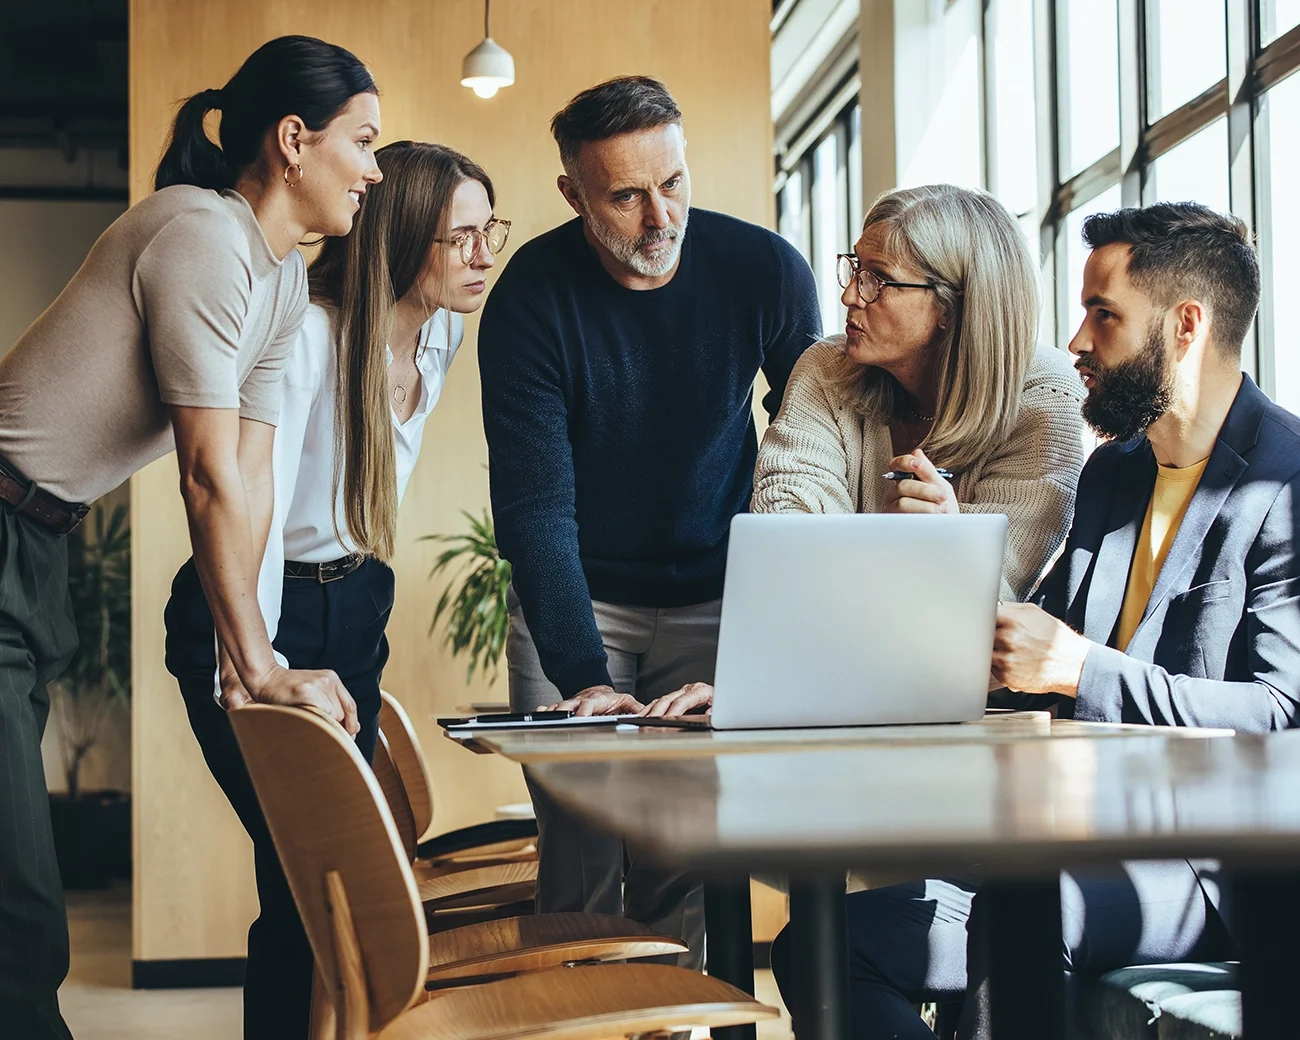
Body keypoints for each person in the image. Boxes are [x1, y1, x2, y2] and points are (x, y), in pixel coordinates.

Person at [780, 202, 1299, 1040]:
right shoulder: (1114, 477)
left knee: (1023, 912)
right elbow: (1031, 643)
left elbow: (1282, 716)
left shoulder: (1285, 484)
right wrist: (953, 567)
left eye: (1103, 315)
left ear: (1186, 325)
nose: (1075, 342)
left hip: (1207, 867)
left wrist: (1082, 670)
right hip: (1071, 839)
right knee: (819, 944)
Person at [0, 34, 381, 1040]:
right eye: (364, 141)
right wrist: (257, 664)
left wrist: (247, 657)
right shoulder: (201, 238)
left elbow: (252, 473)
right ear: (295, 141)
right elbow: (206, 474)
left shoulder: (282, 285)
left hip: (36, 544)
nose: (376, 169)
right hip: (3, 519)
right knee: (22, 914)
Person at [477, 75, 822, 967]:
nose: (657, 216)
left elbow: (814, 454)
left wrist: (781, 632)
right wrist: (585, 675)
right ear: (574, 194)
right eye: (625, 196)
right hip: (582, 595)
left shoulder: (765, 271)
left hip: (718, 596)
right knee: (581, 849)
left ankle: (669, 1023)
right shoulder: (533, 297)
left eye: (671, 183)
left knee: (684, 857)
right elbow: (535, 509)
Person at [165, 141, 505, 1038]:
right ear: (398, 241)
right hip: (259, 603)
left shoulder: (442, 330)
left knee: (336, 880)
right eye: (459, 238)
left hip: (355, 604)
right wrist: (257, 661)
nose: (482, 256)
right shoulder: (311, 335)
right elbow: (252, 506)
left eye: (488, 233)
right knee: (302, 876)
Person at [638, 182, 1087, 720]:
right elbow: (791, 558)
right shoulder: (825, 369)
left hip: (975, 712)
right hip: (829, 689)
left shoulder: (1045, 400)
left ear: (950, 305)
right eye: (855, 268)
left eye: (878, 280)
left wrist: (951, 551)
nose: (851, 295)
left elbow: (989, 625)